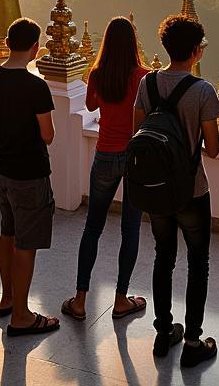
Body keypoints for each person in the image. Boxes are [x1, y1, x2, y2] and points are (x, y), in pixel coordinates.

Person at [134, 15, 219, 368]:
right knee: (197, 263)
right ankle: (192, 339)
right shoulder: (202, 90)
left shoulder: (148, 84)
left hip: (155, 189)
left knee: (163, 257)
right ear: (196, 51)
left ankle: (161, 332)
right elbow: (214, 148)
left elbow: (136, 133)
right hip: (191, 189)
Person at [62, 16, 148, 324]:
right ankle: (122, 299)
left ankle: (81, 300)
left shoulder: (98, 73)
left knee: (93, 228)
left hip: (106, 154)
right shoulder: (142, 76)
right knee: (130, 229)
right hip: (134, 157)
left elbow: (91, 106)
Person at [0, 18, 60, 337]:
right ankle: (22, 316)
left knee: (7, 231)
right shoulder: (36, 86)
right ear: (35, 48)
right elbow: (48, 135)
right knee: (26, 243)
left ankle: (8, 297)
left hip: (3, 168)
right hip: (30, 171)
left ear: (7, 44)